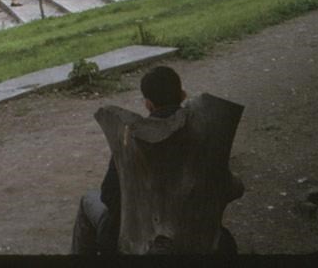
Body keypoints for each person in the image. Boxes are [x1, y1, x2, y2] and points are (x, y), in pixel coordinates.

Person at [71, 65, 243, 256]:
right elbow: (229, 188)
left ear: (148, 104)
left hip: (136, 237)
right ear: (183, 95)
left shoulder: (132, 140)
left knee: (88, 200)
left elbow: (110, 195)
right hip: (199, 234)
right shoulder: (205, 137)